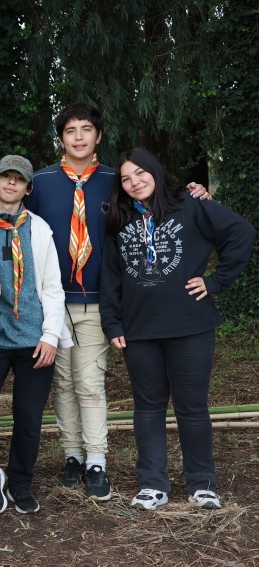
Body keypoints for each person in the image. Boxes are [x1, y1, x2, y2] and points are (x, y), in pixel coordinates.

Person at [27, 102, 209, 500]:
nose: (78, 137)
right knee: (62, 384)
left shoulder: (117, 180)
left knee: (89, 383)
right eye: (70, 130)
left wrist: (195, 192)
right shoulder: (39, 183)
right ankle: (72, 453)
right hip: (52, 302)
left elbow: (159, 201)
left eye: (86, 129)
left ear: (98, 136)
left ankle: (96, 460)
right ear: (60, 137)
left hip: (99, 300)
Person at [100, 148, 255, 511]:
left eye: (140, 173)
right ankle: (153, 484)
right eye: (126, 178)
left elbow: (241, 233)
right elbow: (110, 276)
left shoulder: (190, 204)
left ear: (154, 171)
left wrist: (216, 282)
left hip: (191, 327)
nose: (135, 182)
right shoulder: (119, 219)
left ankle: (202, 485)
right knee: (148, 408)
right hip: (140, 330)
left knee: (192, 407)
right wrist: (112, 322)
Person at [0, 156, 72, 517]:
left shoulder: (39, 229)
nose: (11, 184)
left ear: (27, 188)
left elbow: (53, 288)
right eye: (5, 178)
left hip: (34, 339)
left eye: (18, 180)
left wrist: (51, 335)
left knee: (28, 415)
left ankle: (20, 482)